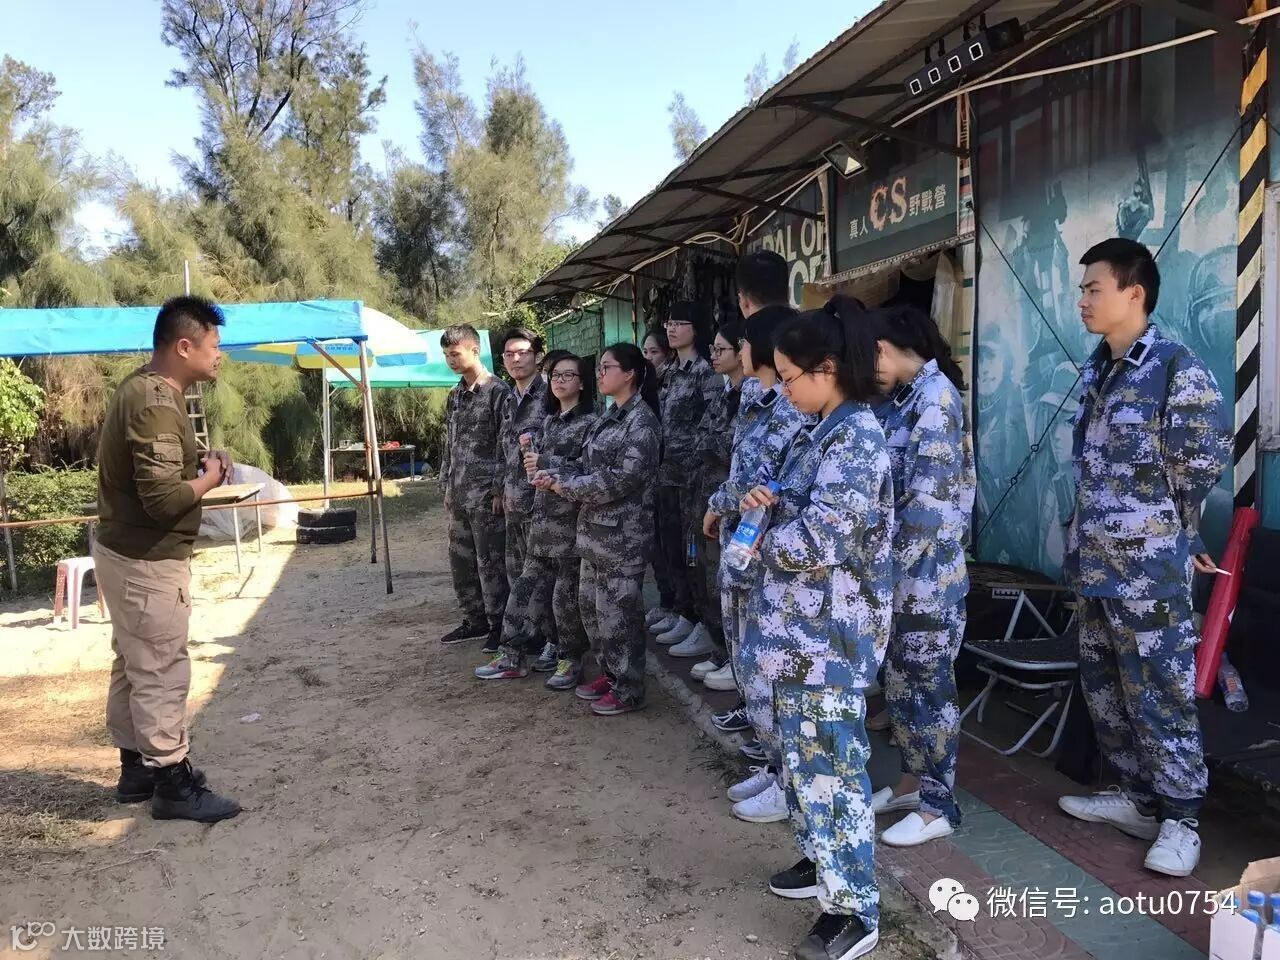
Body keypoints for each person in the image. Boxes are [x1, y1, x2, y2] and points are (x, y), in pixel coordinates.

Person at [1058, 238, 1230, 878]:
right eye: (1082, 290)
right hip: (1095, 567)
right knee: (1105, 688)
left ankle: (1182, 819)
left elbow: (1199, 465)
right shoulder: (1099, 369)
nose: (1082, 301)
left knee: (1160, 691)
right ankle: (1137, 798)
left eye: (1093, 289)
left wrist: (1168, 528)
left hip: (1148, 572)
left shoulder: (1174, 369)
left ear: (1134, 292)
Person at [742, 297, 894, 960]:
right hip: (799, 638)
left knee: (832, 773)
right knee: (807, 771)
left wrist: (758, 535)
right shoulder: (820, 432)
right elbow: (801, 510)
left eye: (789, 377)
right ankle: (821, 862)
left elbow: (819, 541)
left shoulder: (855, 440)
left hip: (829, 642)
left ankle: (855, 911)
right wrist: (768, 502)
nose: (783, 389)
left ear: (826, 368)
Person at [94, 295, 240, 823]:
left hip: (127, 552)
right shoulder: (155, 401)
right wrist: (211, 478)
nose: (219, 355)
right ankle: (172, 783)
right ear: (184, 346)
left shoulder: (149, 389)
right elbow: (162, 500)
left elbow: (164, 467)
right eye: (213, 345)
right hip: (147, 560)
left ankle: (136, 768)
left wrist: (201, 459)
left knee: (134, 662)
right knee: (159, 667)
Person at [865, 304, 975, 849]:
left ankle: (939, 805)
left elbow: (926, 511)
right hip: (902, 582)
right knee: (902, 689)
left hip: (926, 583)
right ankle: (913, 785)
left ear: (887, 347)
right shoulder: (904, 400)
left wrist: (877, 576)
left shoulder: (935, 400)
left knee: (929, 693)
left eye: (871, 356)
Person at [704, 263, 812, 825]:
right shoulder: (755, 397)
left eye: (744, 343)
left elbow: (760, 480)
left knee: (769, 672)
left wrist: (717, 503)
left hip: (768, 557)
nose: (737, 351)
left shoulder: (791, 410)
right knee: (748, 666)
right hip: (742, 551)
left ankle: (788, 781)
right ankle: (773, 766)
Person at [533, 343, 661, 717]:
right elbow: (586, 466)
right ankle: (611, 673)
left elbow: (620, 479)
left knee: (620, 616)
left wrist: (566, 486)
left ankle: (629, 688)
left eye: (607, 367)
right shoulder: (610, 417)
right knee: (593, 611)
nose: (600, 374)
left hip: (623, 538)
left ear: (630, 374)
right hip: (593, 534)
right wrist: (554, 474)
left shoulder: (642, 424)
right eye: (600, 368)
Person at [477, 351, 597, 683]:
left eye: (568, 375)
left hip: (571, 526)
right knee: (523, 591)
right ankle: (511, 656)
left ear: (582, 383)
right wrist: (532, 461)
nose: (559, 381)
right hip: (541, 521)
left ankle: (570, 660)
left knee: (564, 600)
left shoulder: (591, 424)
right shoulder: (549, 421)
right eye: (555, 375)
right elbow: (534, 470)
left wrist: (547, 465)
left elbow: (589, 471)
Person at [667, 321, 745, 665]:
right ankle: (715, 639)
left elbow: (727, 445)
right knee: (699, 567)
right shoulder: (727, 393)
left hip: (731, 501)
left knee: (723, 577)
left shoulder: (752, 397)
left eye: (721, 349)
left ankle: (730, 654)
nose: (714, 355)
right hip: (703, 493)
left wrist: (708, 444)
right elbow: (702, 437)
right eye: (712, 349)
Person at [438, 324, 512, 649]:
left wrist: (499, 488)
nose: (451, 360)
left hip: (485, 496)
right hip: (458, 494)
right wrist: (445, 482)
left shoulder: (498, 392)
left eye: (455, 354)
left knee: (490, 562)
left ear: (474, 350)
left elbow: (506, 443)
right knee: (461, 561)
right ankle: (474, 619)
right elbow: (449, 443)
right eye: (446, 355)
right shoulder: (455, 396)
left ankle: (499, 624)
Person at [650, 302, 717, 647]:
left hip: (694, 478)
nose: (671, 329)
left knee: (695, 554)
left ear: (696, 327)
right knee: (671, 548)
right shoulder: (670, 371)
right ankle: (682, 610)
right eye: (669, 322)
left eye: (679, 323)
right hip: (667, 474)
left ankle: (704, 621)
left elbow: (712, 424)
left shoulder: (706, 371)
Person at [488, 327, 549, 657]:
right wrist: (499, 489)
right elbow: (503, 448)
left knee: (543, 574)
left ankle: (551, 639)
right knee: (518, 573)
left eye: (522, 352)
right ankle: (528, 633)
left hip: (542, 501)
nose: (515, 359)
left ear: (537, 356)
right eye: (509, 354)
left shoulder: (550, 394)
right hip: (513, 500)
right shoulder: (509, 399)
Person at [641, 327, 678, 630]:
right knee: (658, 546)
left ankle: (682, 609)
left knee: (676, 547)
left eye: (654, 352)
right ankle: (667, 603)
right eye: (645, 352)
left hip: (676, 475)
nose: (649, 358)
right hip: (654, 476)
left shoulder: (678, 379)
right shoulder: (646, 383)